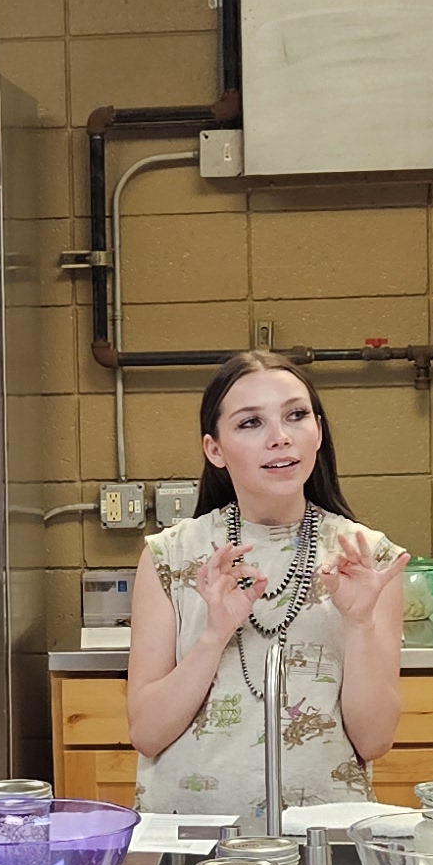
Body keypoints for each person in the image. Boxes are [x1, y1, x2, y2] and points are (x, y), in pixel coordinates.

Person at [123, 349, 410, 828]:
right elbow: (147, 733)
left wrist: (358, 623)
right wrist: (214, 634)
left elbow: (374, 740)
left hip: (322, 831)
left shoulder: (368, 558)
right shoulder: (169, 557)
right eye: (250, 423)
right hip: (192, 832)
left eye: (296, 416)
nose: (280, 438)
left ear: (317, 431)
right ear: (215, 450)